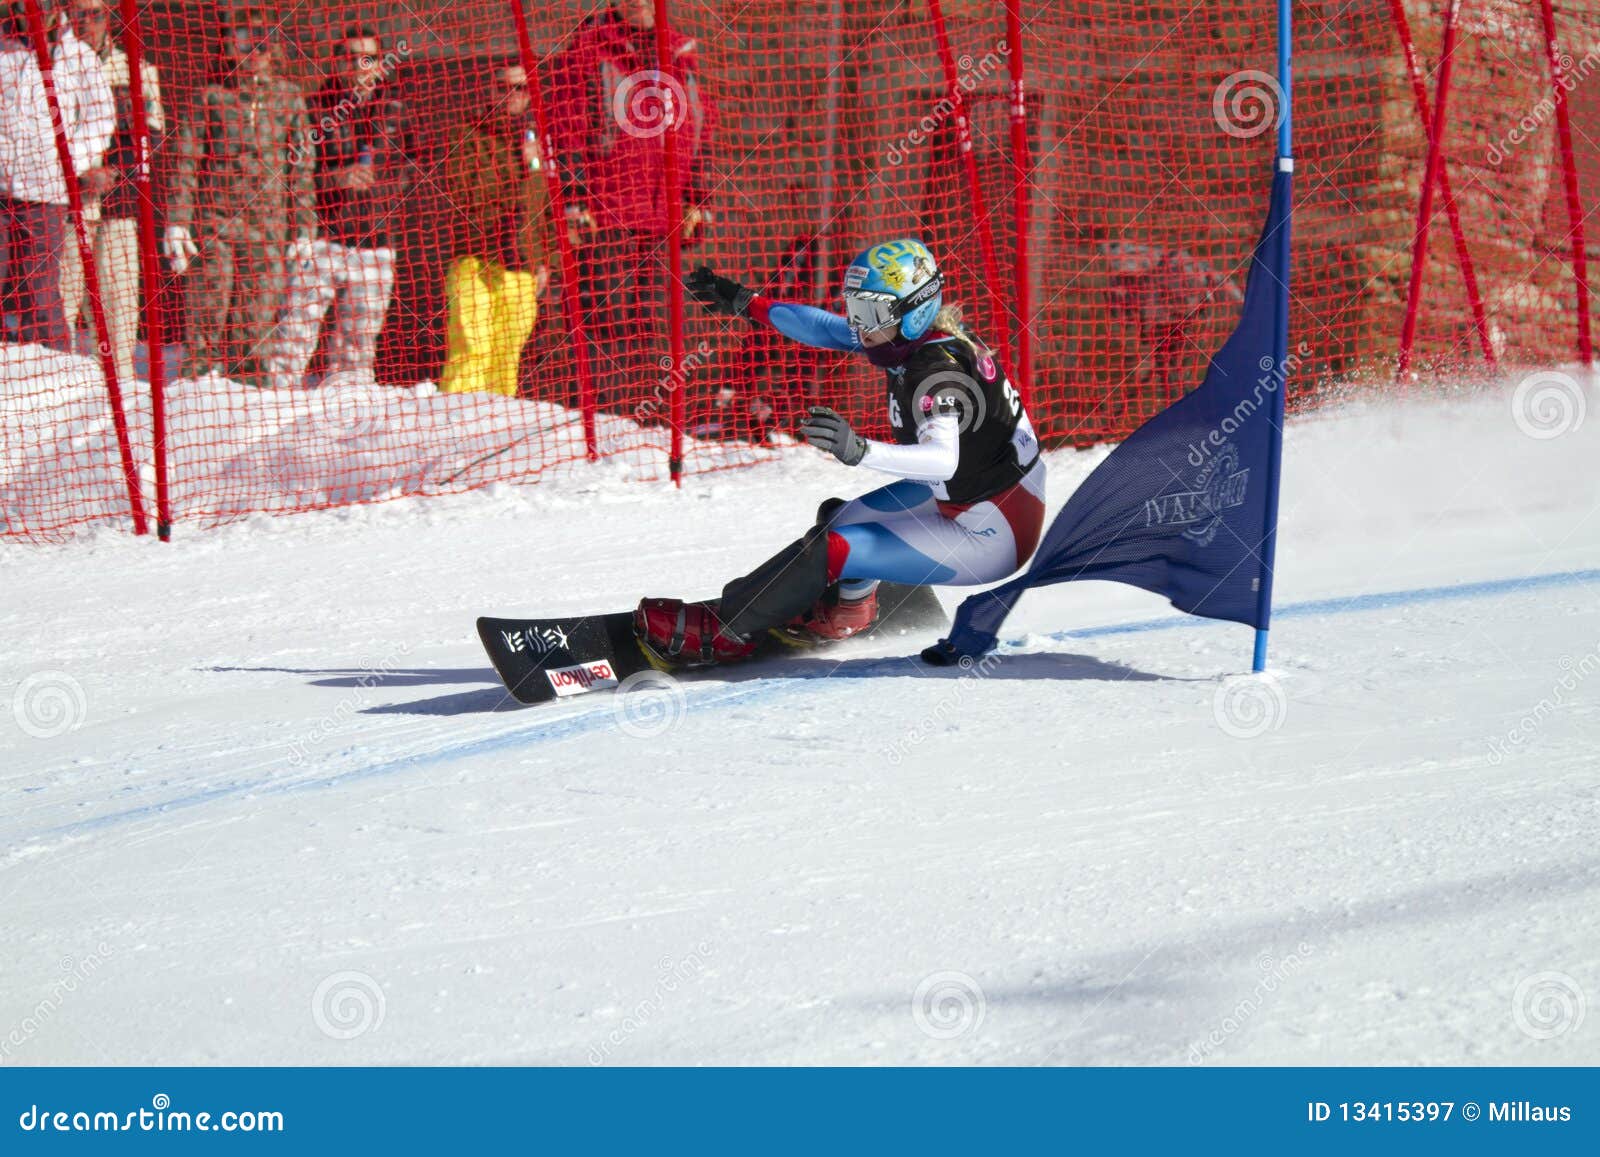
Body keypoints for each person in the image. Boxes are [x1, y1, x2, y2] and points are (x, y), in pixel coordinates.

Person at [635, 239, 1047, 668]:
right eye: (856, 309)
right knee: (837, 518)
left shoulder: (935, 370)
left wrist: (859, 450)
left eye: (870, 314)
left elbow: (944, 460)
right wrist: (747, 303)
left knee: (833, 548)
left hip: (994, 531)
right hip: (989, 495)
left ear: (915, 309)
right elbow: (825, 328)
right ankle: (850, 611)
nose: (860, 326)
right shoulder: (916, 339)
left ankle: (725, 630)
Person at [547, 0, 714, 411]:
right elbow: (566, 126)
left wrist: (698, 199)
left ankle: (651, 419)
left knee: (658, 322)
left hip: (666, 215)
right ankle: (599, 415)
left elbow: (699, 129)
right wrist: (573, 197)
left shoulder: (679, 53)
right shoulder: (590, 49)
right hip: (606, 211)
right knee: (606, 319)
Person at [164, 13, 314, 384]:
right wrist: (178, 220)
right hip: (216, 224)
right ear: (231, 47)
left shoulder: (289, 97)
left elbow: (301, 166)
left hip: (268, 229)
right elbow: (187, 160)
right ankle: (196, 393)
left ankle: (247, 397)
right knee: (208, 314)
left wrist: (304, 227)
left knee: (255, 323)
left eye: (263, 43)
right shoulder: (211, 97)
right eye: (245, 42)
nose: (255, 52)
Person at [267, 24, 415, 390]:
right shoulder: (315, 108)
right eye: (348, 57)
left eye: (367, 58)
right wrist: (335, 179)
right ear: (334, 62)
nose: (357, 65)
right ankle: (273, 412)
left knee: (357, 348)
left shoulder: (395, 108)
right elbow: (290, 175)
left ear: (381, 64)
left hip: (376, 240)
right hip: (324, 235)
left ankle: (347, 422)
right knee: (294, 339)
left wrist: (385, 190)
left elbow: (414, 165)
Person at [57, 0, 165, 383]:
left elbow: (150, 139)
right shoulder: (53, 66)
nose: (86, 22)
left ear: (109, 17)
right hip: (68, 204)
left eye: (95, 13)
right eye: (77, 13)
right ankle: (55, 385)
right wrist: (82, 174)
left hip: (119, 205)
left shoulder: (135, 69)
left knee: (118, 308)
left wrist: (115, 173)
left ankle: (118, 387)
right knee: (62, 302)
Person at [0, 1, 113, 351]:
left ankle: (52, 361)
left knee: (39, 284)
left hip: (46, 190)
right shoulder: (4, 50)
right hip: (2, 184)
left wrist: (70, 159)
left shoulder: (77, 55)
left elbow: (101, 117)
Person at [438, 64, 551, 397]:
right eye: (503, 87)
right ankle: (457, 419)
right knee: (472, 346)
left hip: (523, 264)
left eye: (521, 89)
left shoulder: (540, 141)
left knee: (507, 354)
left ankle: (497, 424)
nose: (512, 96)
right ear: (489, 90)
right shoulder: (466, 134)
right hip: (477, 257)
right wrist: (520, 163)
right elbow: (468, 194)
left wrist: (548, 260)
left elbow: (547, 206)